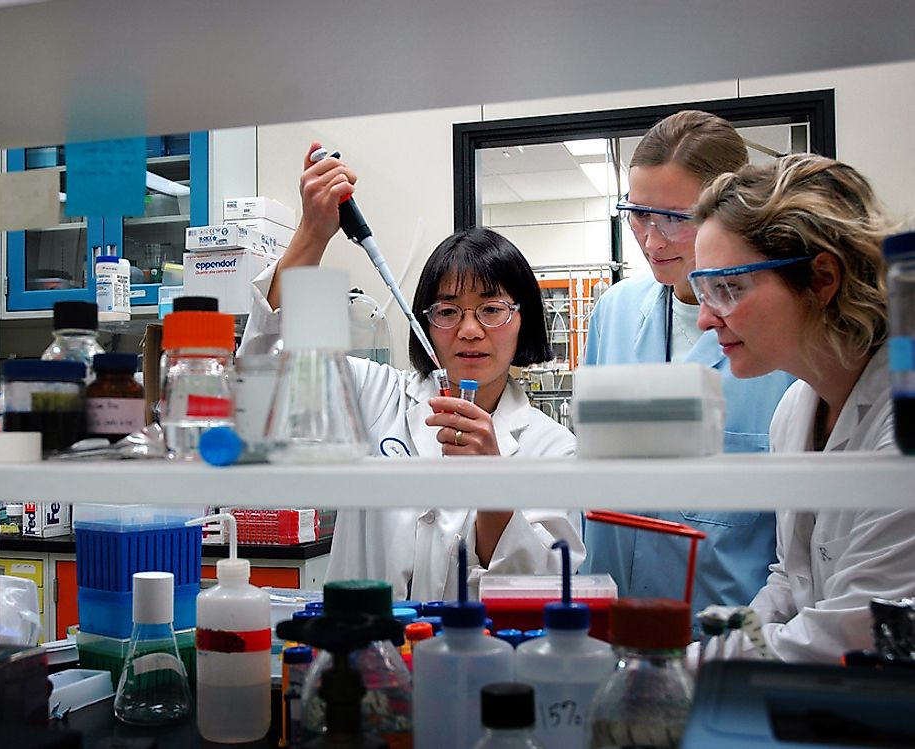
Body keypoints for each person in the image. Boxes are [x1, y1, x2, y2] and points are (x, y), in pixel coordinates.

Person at [242, 142, 581, 602]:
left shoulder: (553, 449)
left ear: (524, 320)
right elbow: (265, 376)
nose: (469, 330)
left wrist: (494, 482)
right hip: (364, 655)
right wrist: (313, 233)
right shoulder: (374, 395)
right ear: (426, 322)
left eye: (491, 309)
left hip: (474, 665)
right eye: (447, 311)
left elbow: (544, 589)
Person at [689, 153, 914, 662]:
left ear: (821, 279)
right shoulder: (796, 407)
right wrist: (716, 650)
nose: (706, 319)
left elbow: (858, 630)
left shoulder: (904, 421)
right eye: (701, 290)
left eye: (726, 288)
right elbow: (795, 579)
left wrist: (682, 676)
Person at [581, 111, 795, 625]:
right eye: (637, 214)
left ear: (729, 209)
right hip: (611, 624)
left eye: (676, 218)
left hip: (731, 638)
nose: (652, 242)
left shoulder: (778, 332)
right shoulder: (615, 312)